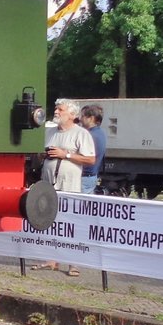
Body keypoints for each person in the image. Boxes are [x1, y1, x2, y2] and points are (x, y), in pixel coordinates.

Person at [35, 98, 96, 276]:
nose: (56, 111)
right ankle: (51, 260)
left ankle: (73, 263)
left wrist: (65, 154)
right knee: (50, 220)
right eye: (56, 108)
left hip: (70, 186)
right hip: (48, 184)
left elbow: (90, 159)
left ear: (72, 114)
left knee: (70, 223)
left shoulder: (81, 134)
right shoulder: (49, 132)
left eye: (60, 109)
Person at [80, 103, 106, 194]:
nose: (80, 119)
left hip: (84, 177)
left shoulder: (89, 135)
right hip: (91, 176)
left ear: (91, 118)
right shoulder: (100, 133)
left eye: (83, 116)